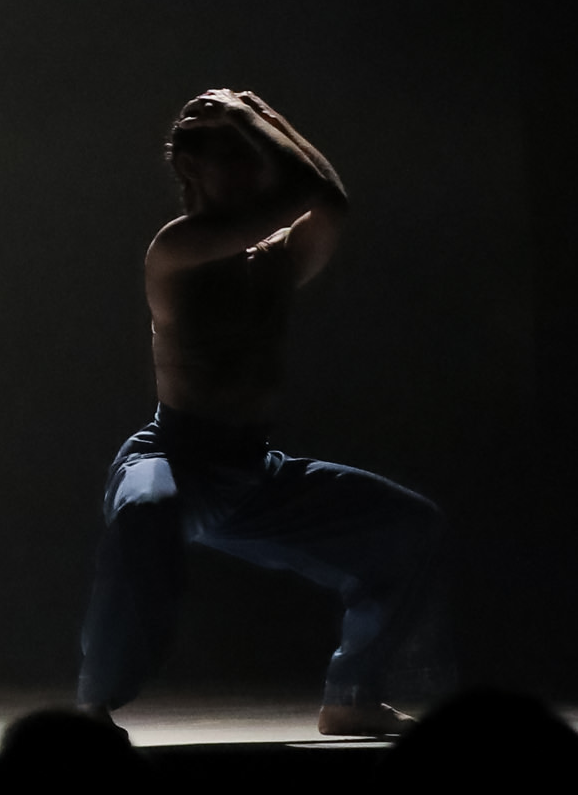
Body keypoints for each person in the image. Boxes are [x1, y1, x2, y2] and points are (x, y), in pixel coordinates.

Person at [75, 90, 445, 738]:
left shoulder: (278, 259)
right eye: (232, 159)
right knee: (144, 512)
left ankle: (352, 694)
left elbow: (330, 202)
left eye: (255, 158)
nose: (251, 170)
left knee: (410, 526)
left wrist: (261, 118)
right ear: (193, 171)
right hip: (174, 454)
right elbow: (308, 192)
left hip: (252, 470)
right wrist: (249, 116)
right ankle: (93, 705)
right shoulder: (180, 248)